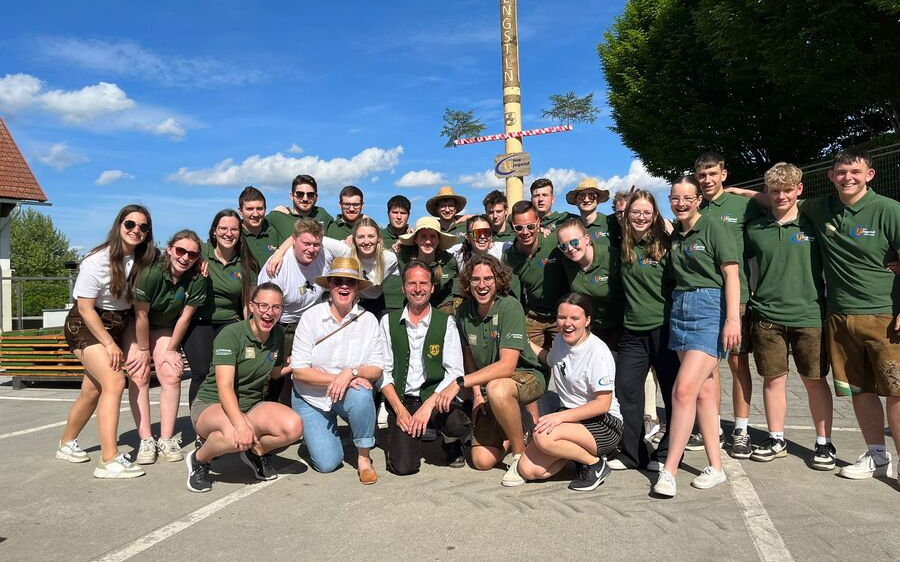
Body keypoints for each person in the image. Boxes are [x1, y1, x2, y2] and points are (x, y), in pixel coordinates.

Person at [732, 148, 900, 481]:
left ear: (869, 174)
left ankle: (844, 447)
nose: (847, 177)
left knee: (895, 392)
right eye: (841, 172)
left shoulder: (886, 209)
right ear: (831, 176)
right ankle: (877, 456)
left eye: (855, 171)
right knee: (861, 389)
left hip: (882, 315)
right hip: (838, 316)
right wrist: (730, 191)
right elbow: (771, 197)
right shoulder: (821, 209)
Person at [652, 175, 741, 498]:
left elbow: (731, 274)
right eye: (675, 198)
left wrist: (733, 318)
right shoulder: (676, 234)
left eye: (688, 197)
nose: (681, 203)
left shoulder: (715, 227)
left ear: (699, 199)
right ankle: (716, 466)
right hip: (681, 308)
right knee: (703, 392)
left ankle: (669, 469)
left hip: (710, 308)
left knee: (683, 389)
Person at [743, 163, 835, 468]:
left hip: (809, 315)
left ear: (799, 190)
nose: (781, 196)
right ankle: (776, 438)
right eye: (775, 190)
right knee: (773, 380)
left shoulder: (814, 225)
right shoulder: (755, 229)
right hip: (767, 316)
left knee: (815, 380)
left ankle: (824, 444)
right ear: (767, 192)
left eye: (787, 190)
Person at [56, 204, 157, 479]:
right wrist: (111, 345)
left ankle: (66, 443)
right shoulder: (96, 260)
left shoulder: (145, 258)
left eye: (143, 227)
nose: (136, 230)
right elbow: (86, 309)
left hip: (117, 324)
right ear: (119, 226)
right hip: (86, 325)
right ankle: (108, 459)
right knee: (114, 381)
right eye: (130, 224)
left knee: (92, 391)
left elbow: (177, 259)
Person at [436, 255, 545, 487]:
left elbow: (507, 366)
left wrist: (460, 383)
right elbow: (469, 358)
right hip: (488, 386)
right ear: (468, 282)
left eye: (488, 278)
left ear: (498, 280)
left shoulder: (510, 306)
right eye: (475, 279)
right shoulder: (464, 312)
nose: (482, 285)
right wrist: (476, 394)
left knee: (497, 388)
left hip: (525, 377)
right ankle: (519, 428)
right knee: (481, 461)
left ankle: (519, 456)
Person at [185, 283, 303, 492]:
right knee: (234, 434)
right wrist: (241, 424)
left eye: (276, 307)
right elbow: (224, 385)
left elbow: (275, 372)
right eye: (263, 306)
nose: (269, 312)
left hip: (251, 405)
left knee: (293, 427)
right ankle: (200, 459)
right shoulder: (232, 334)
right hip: (212, 404)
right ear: (252, 307)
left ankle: (255, 452)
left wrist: (294, 363)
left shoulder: (277, 335)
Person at [291, 257, 385, 483]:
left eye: (350, 282)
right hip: (310, 396)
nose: (344, 286)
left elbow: (376, 369)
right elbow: (299, 371)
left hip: (348, 391)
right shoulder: (310, 317)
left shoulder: (369, 320)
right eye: (338, 281)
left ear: (357, 289)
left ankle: (364, 458)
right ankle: (318, 434)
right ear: (330, 286)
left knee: (363, 395)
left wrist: (350, 374)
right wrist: (338, 378)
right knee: (327, 464)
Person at [517, 293, 623, 491]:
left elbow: (603, 404)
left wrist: (559, 418)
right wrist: (522, 339)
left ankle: (595, 464)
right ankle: (578, 455)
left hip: (603, 422)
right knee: (529, 469)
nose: (567, 324)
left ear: (587, 320)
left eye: (575, 318)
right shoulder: (560, 341)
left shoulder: (597, 351)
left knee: (543, 436)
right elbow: (549, 359)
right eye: (562, 317)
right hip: (571, 420)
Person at [694, 152, 763, 458]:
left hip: (737, 299)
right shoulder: (695, 207)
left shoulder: (740, 204)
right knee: (708, 367)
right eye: (701, 176)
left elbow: (779, 203)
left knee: (737, 364)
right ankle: (712, 425)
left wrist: (746, 192)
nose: (707, 180)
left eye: (712, 174)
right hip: (704, 301)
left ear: (724, 174)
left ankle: (741, 429)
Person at [378, 260, 470, 474]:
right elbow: (383, 372)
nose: (417, 289)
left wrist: (427, 408)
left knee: (458, 423)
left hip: (434, 398)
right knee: (403, 467)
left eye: (423, 283)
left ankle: (450, 440)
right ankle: (413, 437)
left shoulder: (445, 322)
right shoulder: (387, 322)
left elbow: (455, 372)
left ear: (432, 287)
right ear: (403, 288)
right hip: (403, 400)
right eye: (412, 283)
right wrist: (400, 411)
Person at [612, 190, 678, 471]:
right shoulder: (622, 245)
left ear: (655, 216)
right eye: (635, 212)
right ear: (626, 216)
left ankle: (667, 453)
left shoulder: (665, 244)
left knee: (672, 392)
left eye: (646, 213)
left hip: (664, 330)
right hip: (632, 331)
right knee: (627, 390)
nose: (640, 217)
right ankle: (633, 452)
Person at [129, 229, 207, 465]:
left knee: (172, 374)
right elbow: (141, 316)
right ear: (170, 249)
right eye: (181, 251)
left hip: (165, 328)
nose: (185, 257)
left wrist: (172, 349)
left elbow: (185, 317)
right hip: (137, 326)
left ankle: (166, 437)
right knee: (139, 374)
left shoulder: (197, 279)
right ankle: (145, 439)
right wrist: (143, 351)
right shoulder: (151, 273)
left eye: (192, 254)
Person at [257, 218, 348, 402]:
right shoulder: (277, 268)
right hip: (280, 323)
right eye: (306, 243)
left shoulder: (326, 254)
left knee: (310, 374)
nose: (312, 249)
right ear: (293, 240)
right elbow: (266, 310)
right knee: (276, 377)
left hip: (311, 321)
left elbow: (354, 251)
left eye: (316, 244)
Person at [184, 210, 259, 405]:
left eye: (234, 229)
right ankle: (199, 423)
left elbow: (247, 304)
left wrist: (250, 331)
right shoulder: (200, 253)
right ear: (214, 231)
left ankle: (226, 417)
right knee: (201, 371)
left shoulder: (246, 263)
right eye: (223, 228)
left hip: (229, 321)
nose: (228, 233)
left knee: (225, 371)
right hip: (199, 319)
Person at [503, 201, 569, 351]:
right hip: (533, 315)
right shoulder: (509, 257)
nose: (525, 232)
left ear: (538, 223)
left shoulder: (554, 242)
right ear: (513, 227)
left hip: (561, 314)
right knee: (521, 354)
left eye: (531, 226)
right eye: (519, 228)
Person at [555, 218, 624, 351]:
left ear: (587, 239)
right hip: (591, 329)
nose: (570, 248)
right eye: (563, 246)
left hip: (619, 328)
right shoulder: (567, 263)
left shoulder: (613, 257)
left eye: (574, 242)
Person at [397, 217, 459, 314]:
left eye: (433, 236)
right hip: (414, 306)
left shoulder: (449, 261)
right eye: (423, 236)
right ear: (416, 239)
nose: (428, 241)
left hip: (442, 307)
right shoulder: (404, 258)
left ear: (439, 240)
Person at [350, 217, 399, 316]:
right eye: (360, 237)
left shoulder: (389, 258)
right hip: (353, 302)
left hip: (377, 304)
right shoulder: (346, 253)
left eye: (371, 236)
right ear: (354, 239)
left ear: (379, 238)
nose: (366, 241)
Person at [267, 174, 334, 237]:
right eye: (300, 194)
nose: (305, 199)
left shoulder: (322, 214)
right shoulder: (277, 216)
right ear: (291, 196)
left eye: (310, 195)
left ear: (316, 197)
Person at [381, 195, 412, 315]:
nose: (399, 217)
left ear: (408, 215)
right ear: (388, 213)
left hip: (408, 301)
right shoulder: (377, 236)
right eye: (395, 212)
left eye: (403, 213)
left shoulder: (415, 238)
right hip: (383, 301)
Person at [239, 186, 284, 267]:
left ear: (265, 209)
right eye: (250, 209)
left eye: (259, 209)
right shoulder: (234, 234)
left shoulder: (273, 232)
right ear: (240, 211)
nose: (255, 214)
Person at [564, 177, 616, 245]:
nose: (586, 200)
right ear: (575, 201)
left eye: (592, 196)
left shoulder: (612, 222)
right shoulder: (571, 228)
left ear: (598, 200)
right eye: (581, 196)